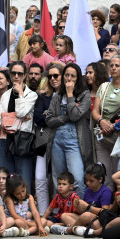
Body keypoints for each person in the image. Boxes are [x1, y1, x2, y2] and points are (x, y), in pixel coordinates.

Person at [0, 61, 47, 213]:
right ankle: (9, 211)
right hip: (6, 139)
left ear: (25, 75)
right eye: (13, 73)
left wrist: (20, 94)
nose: (16, 76)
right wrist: (17, 118)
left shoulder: (31, 95)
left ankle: (26, 212)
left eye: (20, 74)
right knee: (7, 178)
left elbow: (20, 112)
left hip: (24, 139)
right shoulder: (5, 94)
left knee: (23, 178)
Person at [46, 63, 92, 197]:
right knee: (58, 179)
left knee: (77, 178)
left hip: (75, 141)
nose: (69, 79)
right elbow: (49, 120)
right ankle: (57, 212)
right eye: (67, 75)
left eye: (73, 76)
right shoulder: (57, 97)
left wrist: (70, 94)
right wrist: (66, 117)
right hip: (57, 140)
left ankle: (79, 211)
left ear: (78, 78)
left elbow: (75, 115)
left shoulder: (85, 96)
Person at [93, 55, 120, 186]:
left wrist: (113, 126)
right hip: (102, 135)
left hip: (119, 137)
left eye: (117, 65)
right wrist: (101, 121)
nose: (113, 68)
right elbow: (95, 111)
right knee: (103, 173)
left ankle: (117, 205)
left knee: (118, 174)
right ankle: (106, 204)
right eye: (111, 65)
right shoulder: (104, 86)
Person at [66, 163, 114, 237]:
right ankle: (81, 229)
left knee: (87, 216)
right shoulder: (88, 189)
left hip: (99, 220)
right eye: (86, 180)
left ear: (100, 179)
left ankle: (71, 229)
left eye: (91, 181)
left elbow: (105, 212)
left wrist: (88, 207)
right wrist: (77, 206)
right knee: (65, 215)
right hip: (87, 219)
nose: (88, 183)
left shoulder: (105, 192)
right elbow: (82, 211)